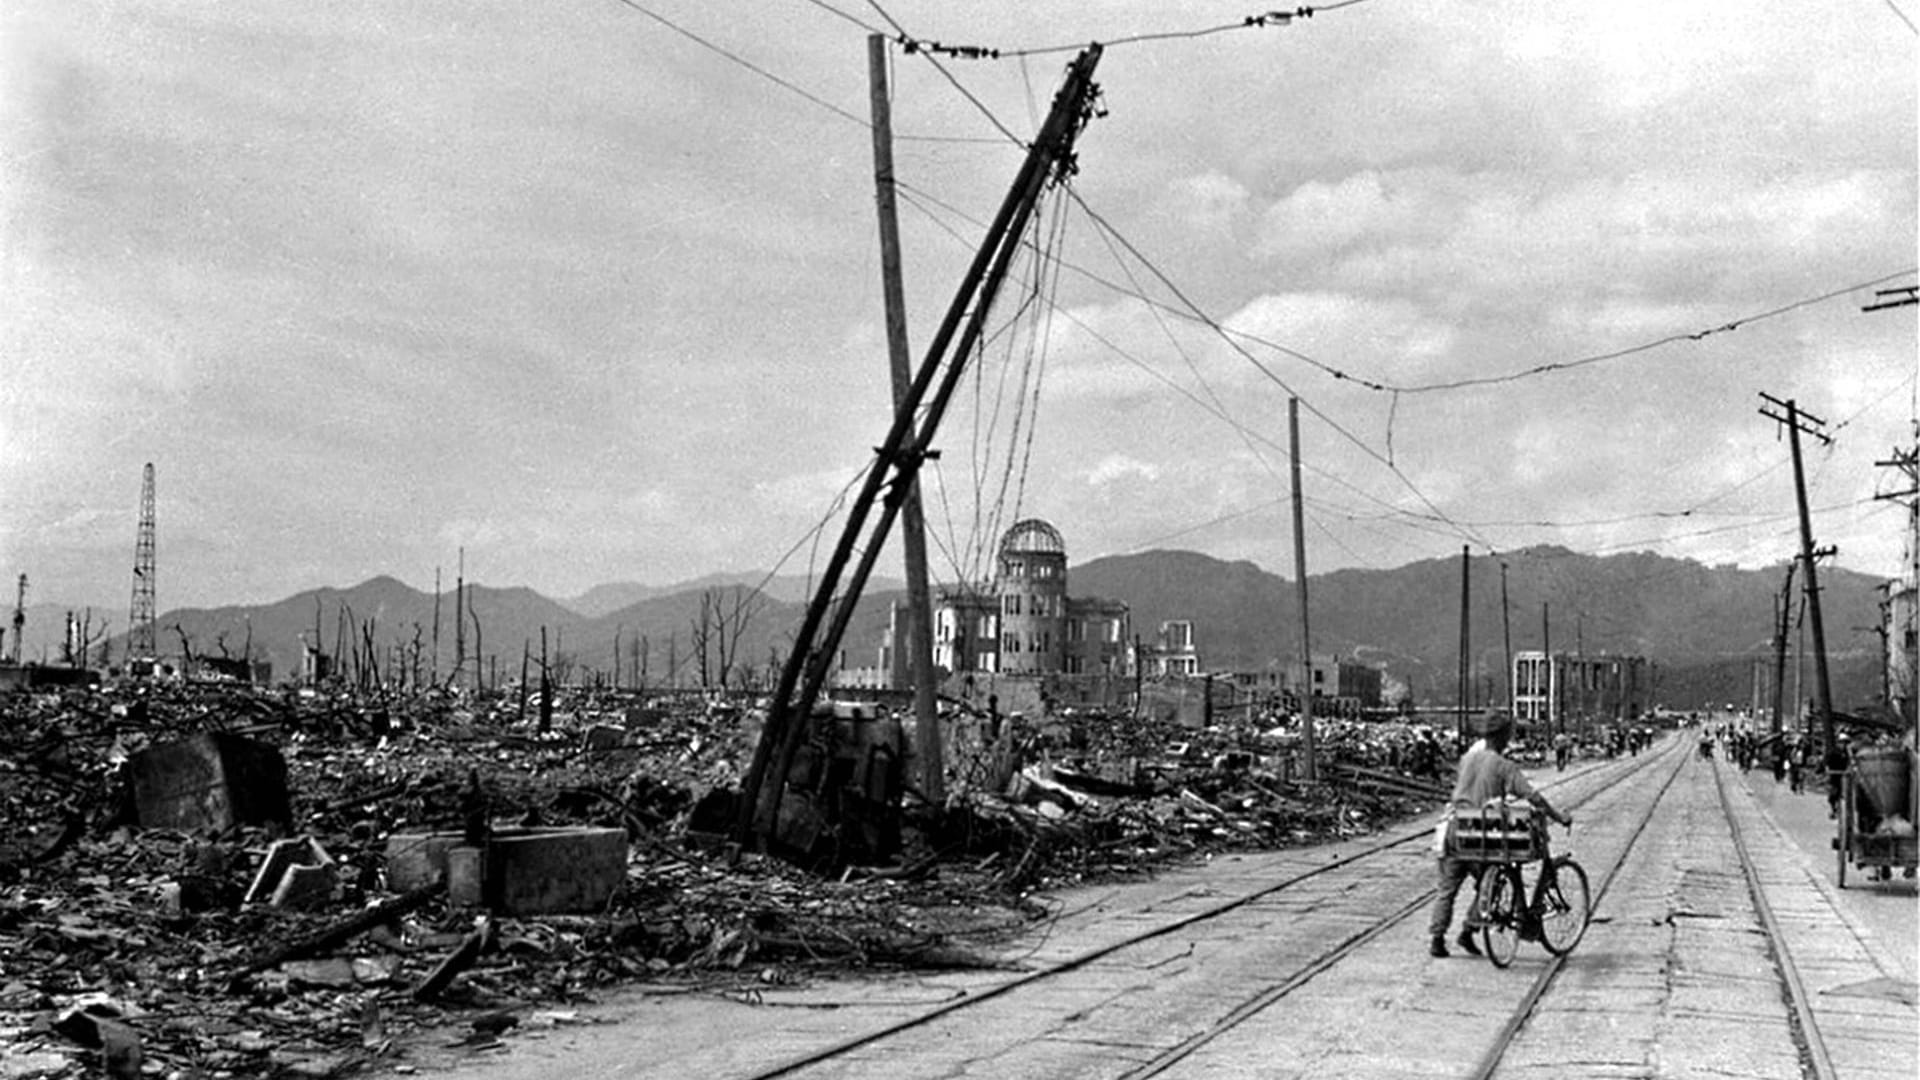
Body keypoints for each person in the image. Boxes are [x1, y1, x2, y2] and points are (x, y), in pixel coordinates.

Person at [1428, 712, 1574, 958]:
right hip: (1480, 833)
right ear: (1504, 736)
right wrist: (1558, 816)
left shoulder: (1467, 759)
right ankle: (1469, 929)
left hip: (1453, 827)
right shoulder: (1504, 766)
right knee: (1491, 884)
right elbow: (1533, 796)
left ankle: (1437, 939)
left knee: (1447, 889)